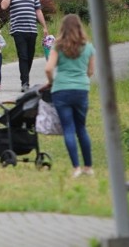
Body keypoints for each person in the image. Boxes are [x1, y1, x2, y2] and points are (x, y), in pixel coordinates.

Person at [44, 14, 96, 178]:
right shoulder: (88, 47)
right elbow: (91, 71)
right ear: (80, 27)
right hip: (81, 90)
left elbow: (48, 68)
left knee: (68, 128)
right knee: (81, 128)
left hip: (61, 90)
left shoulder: (58, 46)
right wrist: (82, 78)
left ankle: (76, 168)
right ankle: (88, 167)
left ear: (62, 28)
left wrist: (51, 83)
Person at [0, 0, 49, 92]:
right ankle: (25, 83)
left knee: (30, 56)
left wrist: (44, 27)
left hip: (32, 29)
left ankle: (25, 78)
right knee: (23, 56)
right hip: (18, 30)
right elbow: (3, 6)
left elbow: (38, 10)